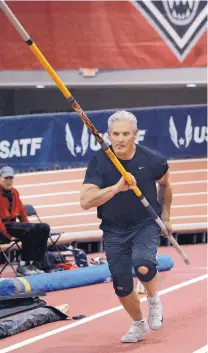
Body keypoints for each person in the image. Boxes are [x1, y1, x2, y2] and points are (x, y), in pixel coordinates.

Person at [80, 110, 172, 343]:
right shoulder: (100, 160)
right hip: (114, 227)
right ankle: (139, 324)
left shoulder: (152, 159)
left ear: (135, 135)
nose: (120, 139)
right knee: (121, 284)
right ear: (108, 135)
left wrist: (167, 217)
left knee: (143, 264)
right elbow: (85, 202)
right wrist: (116, 188)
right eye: (116, 134)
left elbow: (166, 185)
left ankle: (153, 301)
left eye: (126, 134)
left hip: (145, 222)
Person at [0, 166, 50, 276]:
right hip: (2, 228)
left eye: (11, 178)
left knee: (44, 227)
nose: (9, 181)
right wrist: (6, 235)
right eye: (6, 178)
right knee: (28, 229)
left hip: (12, 225)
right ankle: (23, 265)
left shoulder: (14, 192)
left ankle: (37, 263)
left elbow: (21, 211)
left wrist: (28, 224)